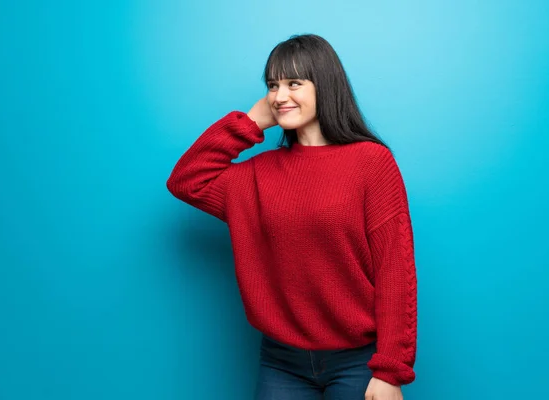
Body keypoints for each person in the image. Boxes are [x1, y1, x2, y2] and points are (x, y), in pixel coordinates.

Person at [166, 34, 417, 400]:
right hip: (281, 362)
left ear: (324, 85)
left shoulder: (371, 163)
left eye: (294, 83)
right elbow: (187, 181)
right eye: (273, 85)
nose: (280, 96)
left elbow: (396, 269)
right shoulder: (258, 175)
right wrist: (251, 121)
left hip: (359, 362)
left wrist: (390, 370)